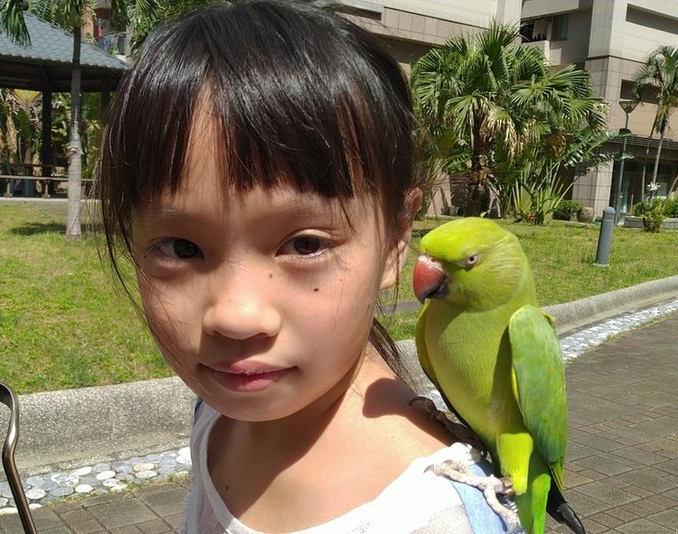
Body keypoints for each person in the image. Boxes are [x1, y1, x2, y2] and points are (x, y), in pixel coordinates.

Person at [98, 1, 511, 532]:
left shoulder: (435, 518)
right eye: (180, 248)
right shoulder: (219, 412)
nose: (237, 316)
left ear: (395, 240)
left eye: (306, 244)